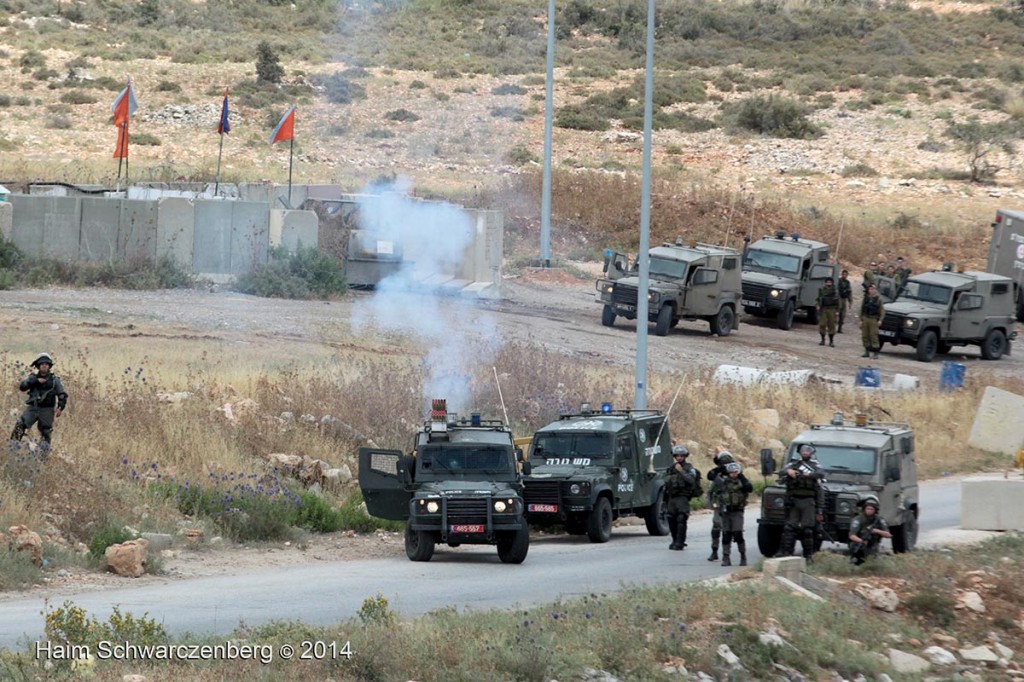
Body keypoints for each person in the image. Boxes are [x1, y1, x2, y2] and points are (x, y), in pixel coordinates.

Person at [10, 353, 68, 449]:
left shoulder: (54, 380)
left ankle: (42, 457)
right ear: (38, 366)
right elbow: (22, 387)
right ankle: (12, 449)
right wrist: (35, 381)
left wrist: (60, 407)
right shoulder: (33, 378)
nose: (44, 365)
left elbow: (62, 394)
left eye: (46, 363)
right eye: (42, 363)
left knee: (46, 432)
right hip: (33, 408)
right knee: (20, 426)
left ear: (49, 366)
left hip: (47, 409)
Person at [778, 444, 824, 561]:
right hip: (794, 500)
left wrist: (808, 474)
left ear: (811, 453)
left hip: (808, 501)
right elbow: (782, 471)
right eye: (803, 450)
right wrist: (789, 471)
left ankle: (808, 556)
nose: (805, 452)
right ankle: (787, 553)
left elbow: (820, 474)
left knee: (807, 529)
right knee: (790, 528)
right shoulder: (793, 464)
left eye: (808, 450)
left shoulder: (815, 465)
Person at [712, 461, 753, 566]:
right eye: (731, 472)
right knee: (726, 535)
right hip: (726, 512)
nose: (733, 474)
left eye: (735, 472)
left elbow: (749, 488)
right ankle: (726, 557)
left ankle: (743, 556)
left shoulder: (741, 482)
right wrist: (721, 468)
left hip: (737, 512)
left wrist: (741, 475)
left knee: (738, 534)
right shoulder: (724, 483)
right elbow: (710, 475)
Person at [664, 445, 701, 551]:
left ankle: (680, 542)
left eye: (681, 456)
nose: (679, 457)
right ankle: (674, 540)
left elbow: (691, 480)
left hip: (683, 497)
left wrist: (681, 471)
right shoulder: (671, 468)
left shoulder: (689, 468)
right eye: (677, 456)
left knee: (681, 519)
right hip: (672, 497)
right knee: (671, 519)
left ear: (685, 456)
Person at [705, 451, 734, 561]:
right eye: (723, 462)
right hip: (719, 506)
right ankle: (714, 551)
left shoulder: (735, 474)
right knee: (716, 528)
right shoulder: (716, 475)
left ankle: (726, 554)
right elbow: (710, 490)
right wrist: (710, 504)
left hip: (731, 507)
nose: (725, 465)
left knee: (729, 531)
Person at [848, 494, 892, 565]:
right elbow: (852, 535)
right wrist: (861, 541)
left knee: (872, 562)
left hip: (872, 545)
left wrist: (876, 531)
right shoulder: (858, 519)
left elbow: (888, 535)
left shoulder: (879, 520)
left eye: (871, 509)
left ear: (875, 510)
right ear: (864, 508)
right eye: (867, 509)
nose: (869, 511)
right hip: (859, 544)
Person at [860, 284, 885, 359]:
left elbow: (882, 311)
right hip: (866, 318)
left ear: (875, 290)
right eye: (870, 289)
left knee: (873, 336)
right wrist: (861, 320)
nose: (871, 290)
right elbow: (861, 309)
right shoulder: (865, 299)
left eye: (873, 289)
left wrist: (880, 320)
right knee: (865, 335)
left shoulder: (879, 299)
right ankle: (866, 351)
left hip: (873, 319)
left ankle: (875, 352)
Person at [816, 277, 839, 347]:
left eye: (830, 282)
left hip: (832, 309)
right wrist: (817, 305)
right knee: (822, 324)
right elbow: (818, 298)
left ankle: (831, 341)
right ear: (825, 283)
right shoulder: (822, 290)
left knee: (831, 325)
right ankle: (822, 339)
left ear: (832, 283)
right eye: (827, 282)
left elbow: (838, 301)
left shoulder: (835, 291)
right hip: (824, 309)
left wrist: (838, 311)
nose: (829, 283)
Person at [837, 269, 853, 334]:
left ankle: (840, 328)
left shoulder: (847, 283)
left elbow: (849, 292)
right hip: (839, 298)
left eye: (845, 275)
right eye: (843, 274)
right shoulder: (838, 281)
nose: (844, 276)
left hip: (844, 299)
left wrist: (850, 301)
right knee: (837, 312)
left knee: (842, 314)